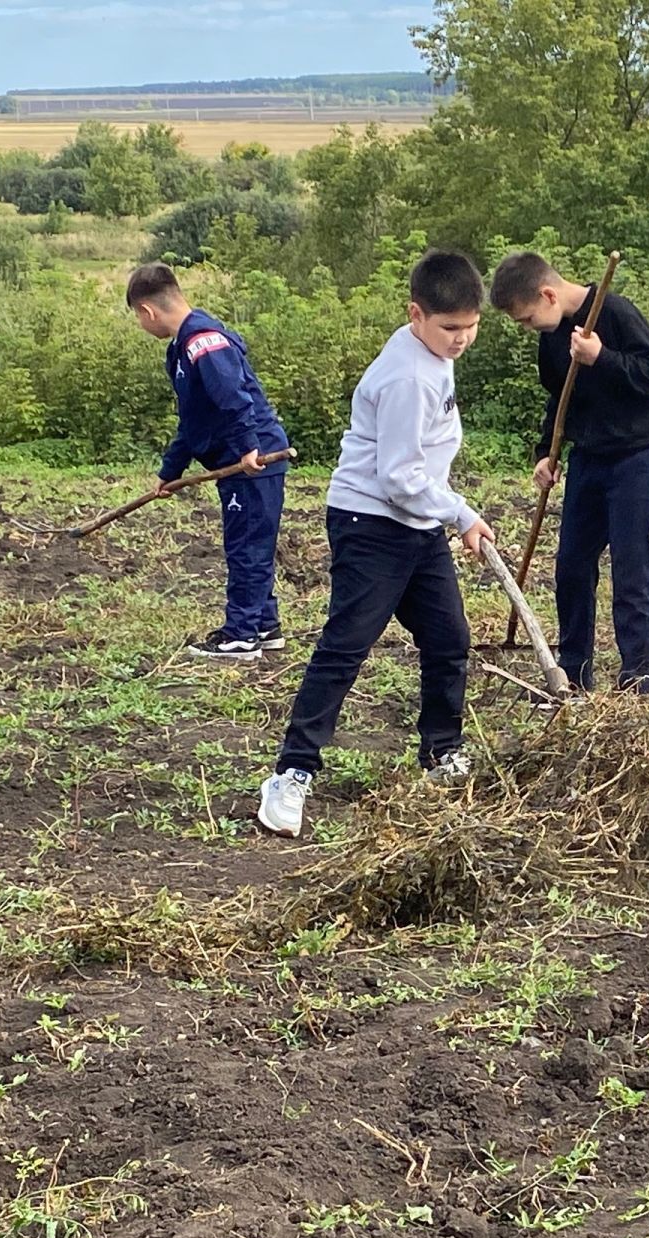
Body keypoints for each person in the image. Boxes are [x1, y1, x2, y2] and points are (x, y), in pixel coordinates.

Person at [257, 251, 495, 839]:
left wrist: (444, 514)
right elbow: (398, 477)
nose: (462, 339)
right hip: (372, 523)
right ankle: (291, 774)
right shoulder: (410, 375)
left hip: (416, 526)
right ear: (416, 315)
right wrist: (463, 513)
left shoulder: (431, 352)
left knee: (448, 638)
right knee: (347, 645)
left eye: (470, 326)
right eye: (449, 328)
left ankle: (441, 753)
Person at [489, 252, 649, 694]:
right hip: (588, 460)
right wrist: (545, 452)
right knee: (572, 565)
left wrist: (603, 358)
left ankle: (639, 678)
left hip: (635, 457)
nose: (528, 327)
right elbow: (560, 396)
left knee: (631, 565)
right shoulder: (553, 334)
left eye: (527, 318)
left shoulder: (614, 311)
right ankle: (573, 673)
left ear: (549, 294)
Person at [128, 262, 291, 659]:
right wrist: (170, 473)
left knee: (246, 546)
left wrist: (249, 447)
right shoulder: (183, 347)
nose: (141, 324)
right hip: (240, 456)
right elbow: (194, 421)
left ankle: (240, 636)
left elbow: (232, 398)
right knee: (251, 542)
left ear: (148, 311)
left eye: (137, 317)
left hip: (254, 459)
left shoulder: (203, 342)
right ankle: (264, 625)